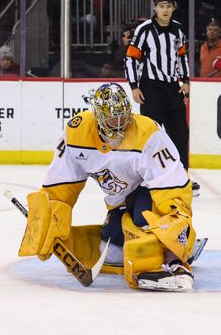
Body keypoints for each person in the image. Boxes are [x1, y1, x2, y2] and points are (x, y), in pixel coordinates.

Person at [19, 83, 197, 292]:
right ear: (98, 116)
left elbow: (170, 180)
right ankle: (148, 243)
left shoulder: (147, 131)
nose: (120, 124)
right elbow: (60, 184)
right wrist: (49, 220)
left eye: (123, 117)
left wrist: (175, 222)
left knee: (145, 220)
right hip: (118, 201)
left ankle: (174, 259)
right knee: (111, 252)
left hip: (148, 190)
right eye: (113, 119)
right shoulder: (77, 133)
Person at [125, 0, 199, 195]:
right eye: (161, 6)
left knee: (180, 132)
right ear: (155, 8)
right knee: (150, 134)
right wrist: (134, 85)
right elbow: (131, 57)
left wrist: (186, 81)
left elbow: (182, 56)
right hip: (150, 88)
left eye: (168, 6)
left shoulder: (178, 30)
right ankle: (149, 176)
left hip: (172, 87)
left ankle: (182, 175)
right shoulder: (144, 29)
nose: (165, 10)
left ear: (173, 8)